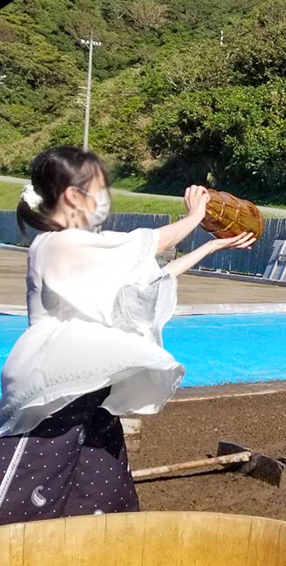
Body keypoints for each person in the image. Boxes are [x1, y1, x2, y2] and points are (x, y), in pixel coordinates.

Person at [0, 146, 255, 525]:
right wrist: (195, 216)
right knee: (27, 481)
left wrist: (210, 244)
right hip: (55, 388)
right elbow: (148, 244)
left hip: (88, 386)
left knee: (101, 487)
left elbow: (147, 280)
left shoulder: (82, 247)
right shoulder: (57, 244)